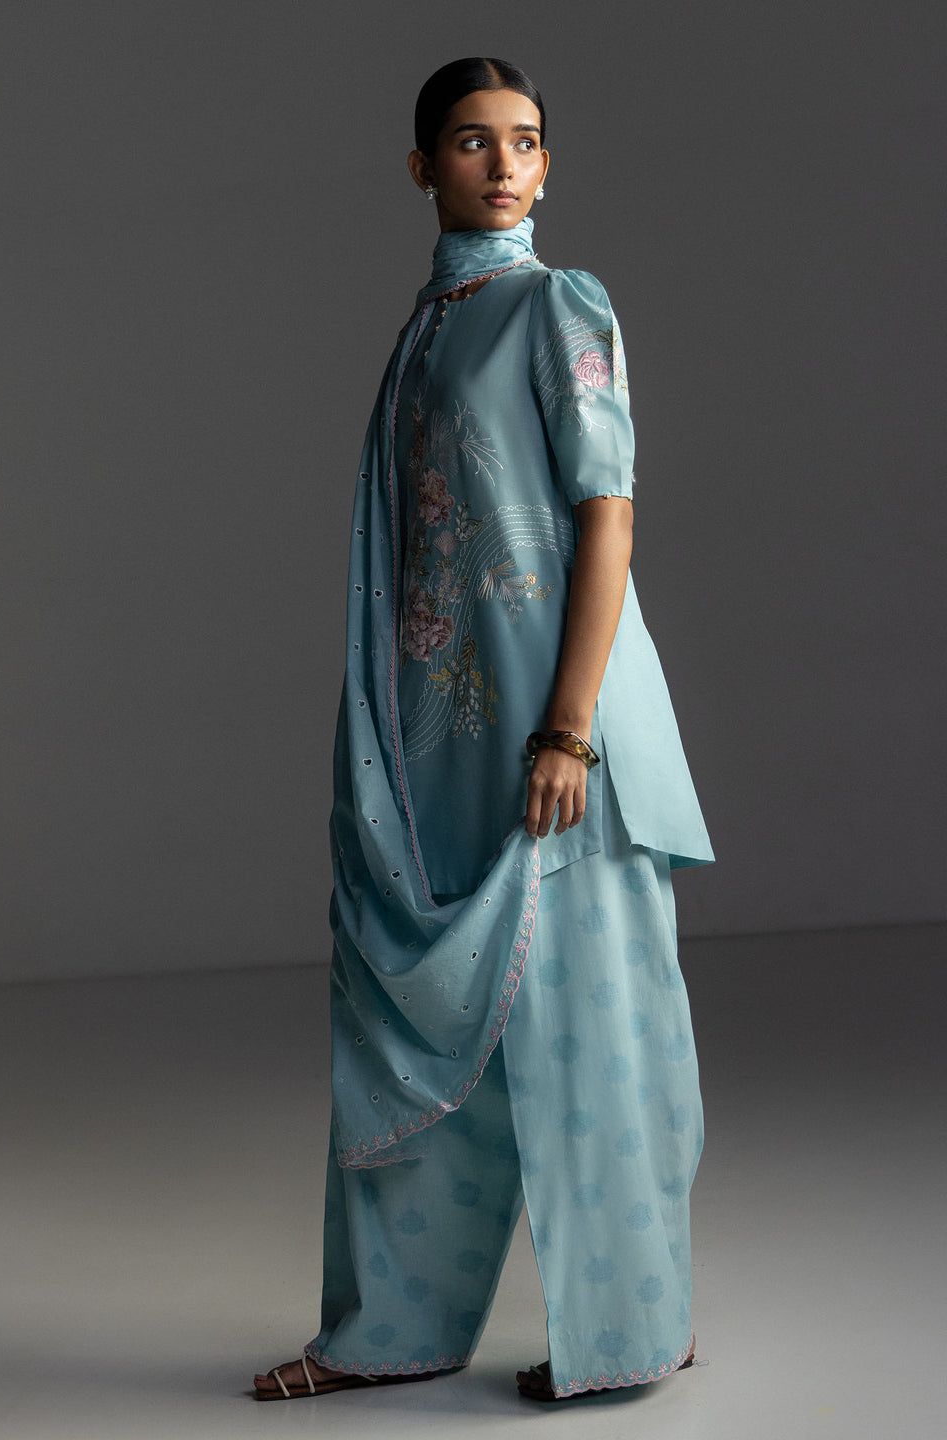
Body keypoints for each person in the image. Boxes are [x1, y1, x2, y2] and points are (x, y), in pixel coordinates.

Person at [254, 56, 713, 1404]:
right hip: (450, 740)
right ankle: (387, 1330)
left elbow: (607, 515)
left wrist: (569, 732)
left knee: (593, 1026)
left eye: (524, 140)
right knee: (411, 1010)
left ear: (547, 165)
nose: (503, 163)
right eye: (471, 141)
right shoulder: (427, 332)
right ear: (422, 168)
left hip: (561, 734)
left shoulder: (555, 307)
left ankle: (635, 1327)